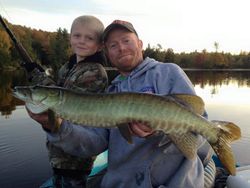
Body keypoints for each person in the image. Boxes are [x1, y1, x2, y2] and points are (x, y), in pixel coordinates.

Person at [28, 20, 215, 188]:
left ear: (140, 44)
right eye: (113, 45)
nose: (121, 48)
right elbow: (93, 144)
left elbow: (198, 130)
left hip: (173, 182)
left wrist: (158, 128)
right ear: (107, 54)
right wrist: (55, 126)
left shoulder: (167, 73)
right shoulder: (111, 92)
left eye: (126, 41)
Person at [27, 15, 108, 188]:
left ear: (100, 45)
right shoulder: (68, 67)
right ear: (70, 38)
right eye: (77, 36)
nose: (82, 41)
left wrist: (39, 77)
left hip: (76, 156)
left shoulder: (95, 71)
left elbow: (66, 106)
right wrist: (39, 75)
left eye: (89, 38)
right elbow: (57, 92)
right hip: (59, 152)